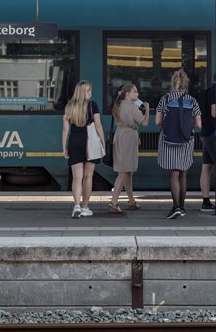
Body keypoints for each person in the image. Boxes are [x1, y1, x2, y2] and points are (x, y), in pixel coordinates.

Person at [155, 68, 201, 219]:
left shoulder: (165, 99)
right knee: (183, 173)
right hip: (186, 141)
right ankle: (182, 207)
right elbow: (198, 124)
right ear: (185, 84)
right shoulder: (192, 101)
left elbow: (158, 121)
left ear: (172, 83)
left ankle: (175, 206)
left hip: (168, 140)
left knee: (173, 174)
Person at [62, 80, 104, 218]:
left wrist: (64, 147)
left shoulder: (69, 106)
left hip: (74, 141)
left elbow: (65, 129)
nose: (91, 93)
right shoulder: (93, 105)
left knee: (77, 177)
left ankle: (76, 205)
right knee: (88, 176)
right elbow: (98, 126)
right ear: (84, 92)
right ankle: (85, 207)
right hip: (89, 142)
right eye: (88, 91)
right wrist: (102, 142)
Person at [107, 84, 148, 213]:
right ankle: (113, 202)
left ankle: (131, 201)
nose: (137, 94)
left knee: (128, 170)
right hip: (129, 138)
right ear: (127, 94)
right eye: (135, 92)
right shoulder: (133, 107)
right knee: (124, 171)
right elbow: (145, 123)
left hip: (120, 135)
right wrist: (147, 110)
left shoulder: (119, 105)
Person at [199, 81, 216, 212]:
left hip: (205, 131)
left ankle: (206, 201)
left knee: (207, 167)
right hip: (213, 132)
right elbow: (214, 112)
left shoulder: (209, 90)